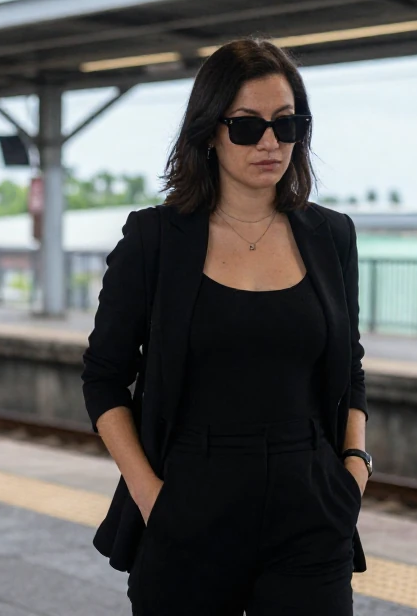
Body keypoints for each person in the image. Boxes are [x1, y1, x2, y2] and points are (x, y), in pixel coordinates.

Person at [82, 37, 372, 616]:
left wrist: (354, 470)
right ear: (209, 131)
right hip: (189, 500)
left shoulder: (331, 236)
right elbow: (104, 377)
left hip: (310, 504)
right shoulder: (155, 240)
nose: (270, 142)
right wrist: (151, 497)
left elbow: (350, 368)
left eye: (287, 125)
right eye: (247, 126)